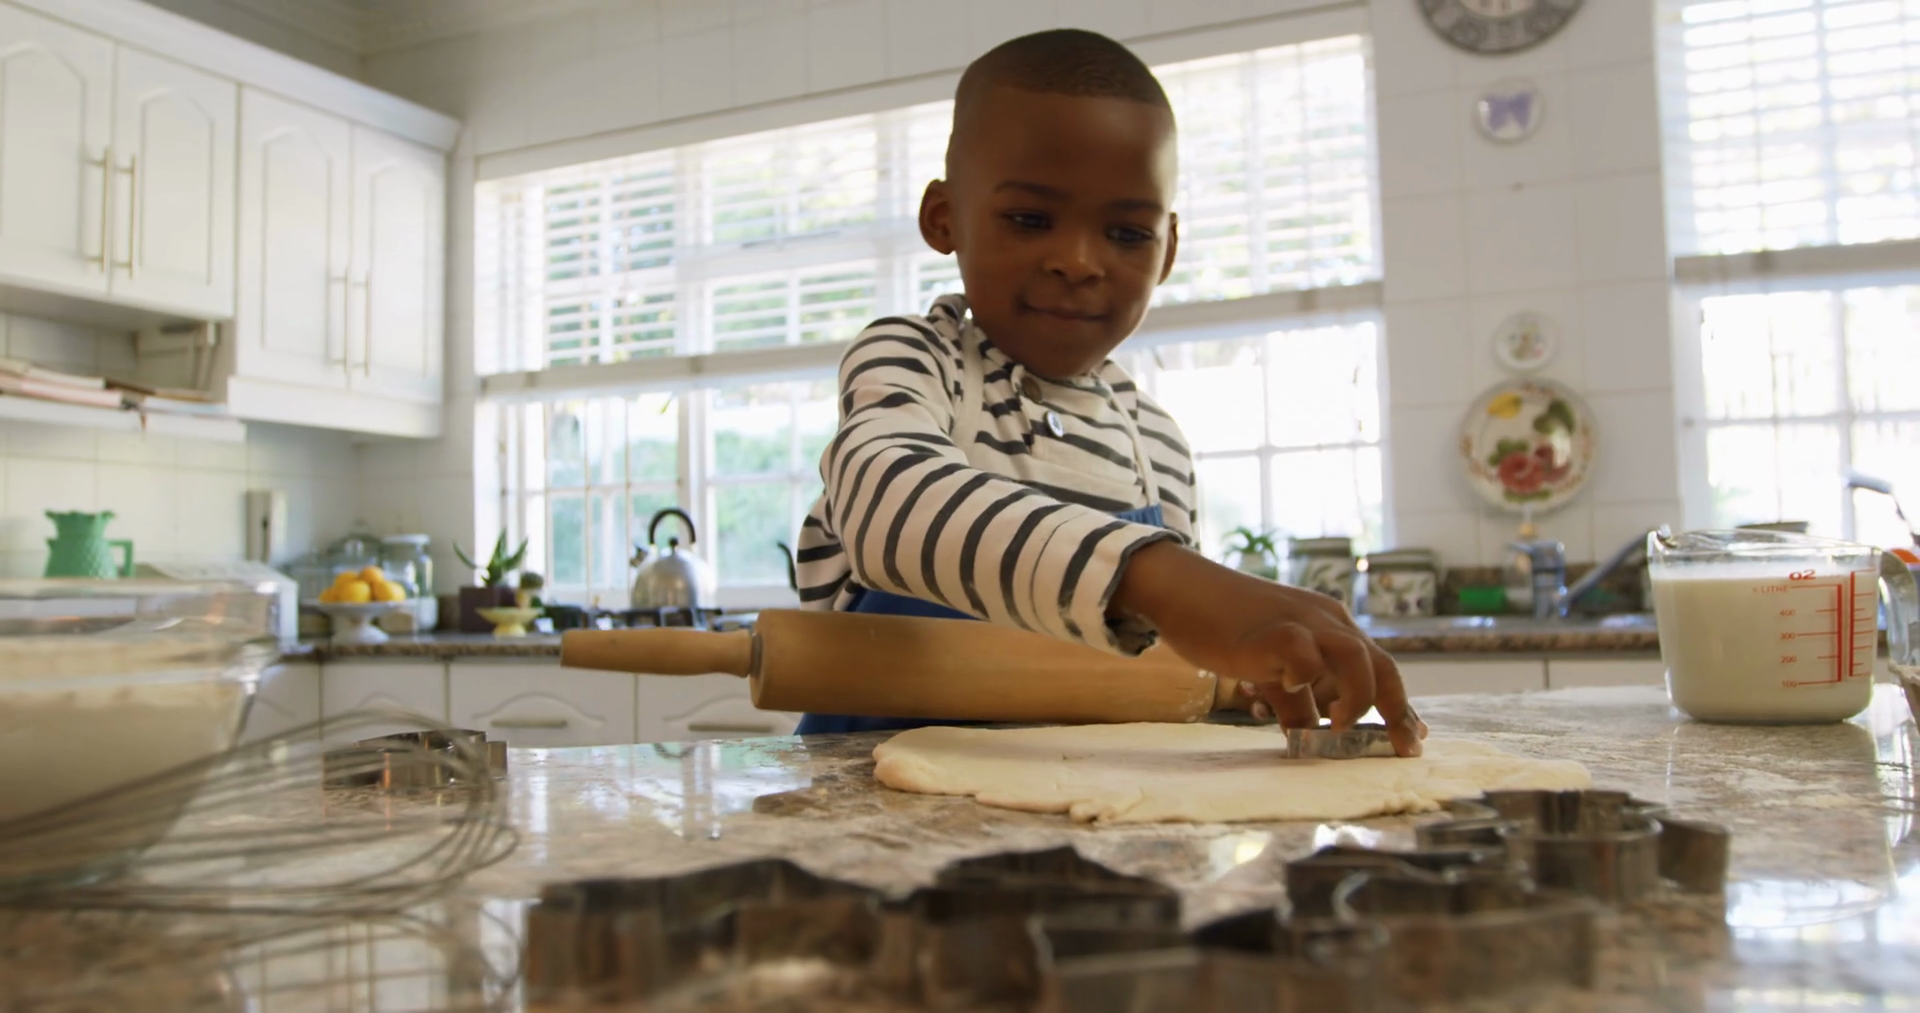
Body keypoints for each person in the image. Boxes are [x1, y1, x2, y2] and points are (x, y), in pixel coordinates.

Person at [791, 28, 1424, 757]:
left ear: (1169, 250)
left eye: (1126, 232)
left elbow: (1164, 661)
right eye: (1030, 219)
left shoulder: (1156, 443)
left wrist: (1244, 676)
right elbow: (887, 503)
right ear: (945, 218)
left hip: (1089, 796)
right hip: (874, 795)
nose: (1078, 261)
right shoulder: (917, 359)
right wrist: (1161, 578)